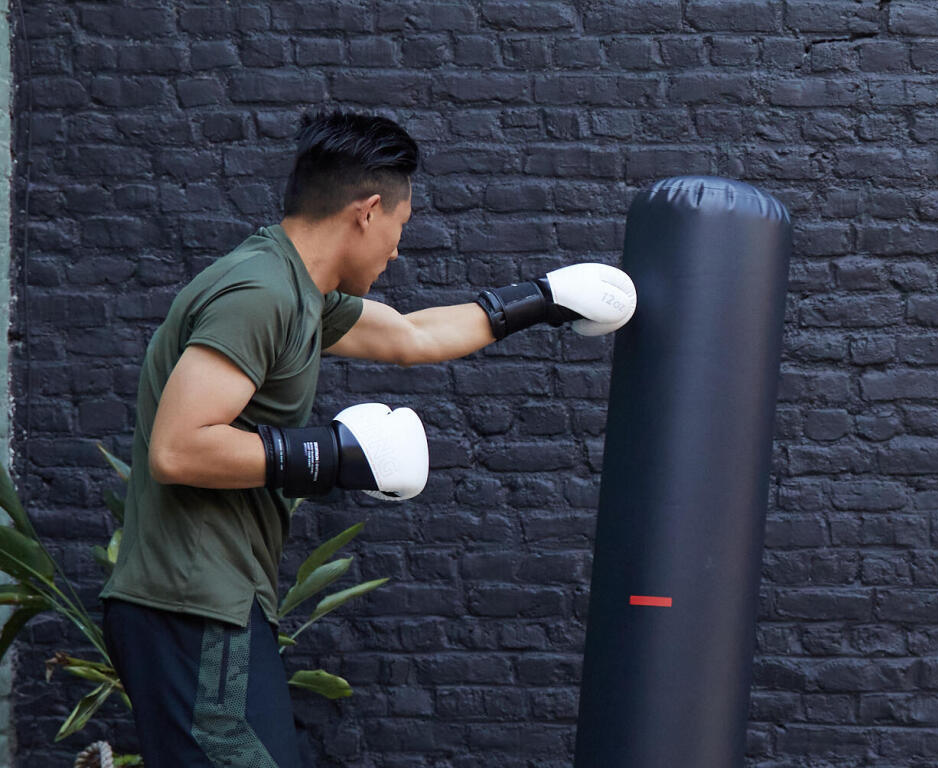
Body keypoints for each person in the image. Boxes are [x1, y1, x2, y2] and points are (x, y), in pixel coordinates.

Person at [98, 111, 636, 766]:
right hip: (191, 604)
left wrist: (545, 299)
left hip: (214, 603)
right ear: (368, 210)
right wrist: (332, 456)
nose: (397, 249)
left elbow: (412, 337)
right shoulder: (259, 293)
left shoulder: (302, 294)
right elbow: (178, 448)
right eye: (399, 228)